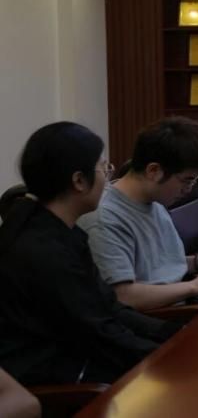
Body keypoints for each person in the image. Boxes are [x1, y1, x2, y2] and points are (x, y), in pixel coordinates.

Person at [0, 122, 180, 386]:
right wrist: (168, 356)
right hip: (59, 376)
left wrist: (173, 334)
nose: (107, 179)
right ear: (79, 181)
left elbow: (109, 307)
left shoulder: (60, 230)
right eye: (104, 168)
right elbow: (97, 332)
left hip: (84, 352)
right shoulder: (44, 251)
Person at [79, 117, 198, 311]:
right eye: (187, 180)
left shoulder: (155, 201)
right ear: (154, 171)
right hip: (161, 316)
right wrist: (194, 287)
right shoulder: (105, 219)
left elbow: (159, 266)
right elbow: (124, 296)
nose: (189, 189)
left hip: (180, 301)